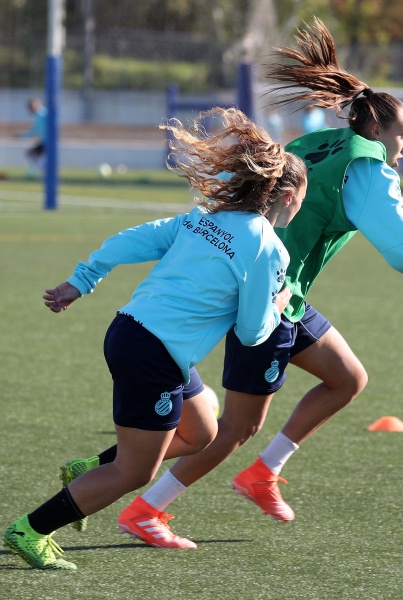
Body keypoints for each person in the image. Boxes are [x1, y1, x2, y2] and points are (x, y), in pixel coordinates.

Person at [60, 17, 403, 548]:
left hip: (286, 294)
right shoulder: (368, 169)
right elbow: (402, 249)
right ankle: (144, 507)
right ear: (379, 132)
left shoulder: (323, 141)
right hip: (268, 295)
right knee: (234, 429)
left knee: (347, 378)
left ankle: (258, 474)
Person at [2, 106, 307, 571]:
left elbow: (134, 239)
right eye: (302, 198)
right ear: (286, 196)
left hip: (133, 331)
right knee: (134, 472)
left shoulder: (206, 217)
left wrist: (82, 280)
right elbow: (251, 333)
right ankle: (31, 529)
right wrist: (279, 305)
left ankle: (91, 467)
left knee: (202, 428)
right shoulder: (267, 246)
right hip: (154, 354)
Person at [19, 97, 48, 178]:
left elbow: (36, 130)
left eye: (30, 107)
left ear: (36, 104)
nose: (30, 109)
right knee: (33, 154)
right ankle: (42, 172)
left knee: (31, 153)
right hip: (44, 140)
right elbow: (36, 130)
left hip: (47, 141)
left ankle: (41, 172)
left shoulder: (42, 114)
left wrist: (22, 135)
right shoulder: (41, 114)